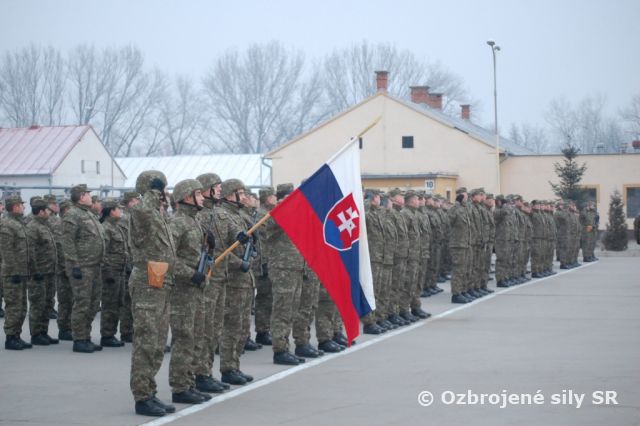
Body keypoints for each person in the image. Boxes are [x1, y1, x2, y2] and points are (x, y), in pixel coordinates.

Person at [128, 170, 177, 417]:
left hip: (160, 279)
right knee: (146, 342)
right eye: (161, 188)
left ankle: (150, 390)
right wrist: (153, 192)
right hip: (147, 281)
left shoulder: (159, 214)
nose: (165, 193)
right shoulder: (141, 212)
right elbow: (141, 211)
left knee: (157, 343)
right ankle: (142, 397)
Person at [168, 179, 212, 405]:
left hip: (196, 289)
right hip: (182, 289)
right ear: (187, 197)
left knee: (196, 336)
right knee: (184, 337)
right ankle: (180, 387)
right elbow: (167, 257)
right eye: (198, 194)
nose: (203, 197)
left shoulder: (194, 221)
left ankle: (189, 382)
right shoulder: (177, 223)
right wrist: (190, 274)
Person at [214, 179, 255, 385]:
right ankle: (228, 368)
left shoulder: (238, 215)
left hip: (244, 278)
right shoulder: (222, 215)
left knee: (241, 326)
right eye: (240, 192)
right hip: (233, 278)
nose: (244, 196)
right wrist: (239, 263)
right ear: (230, 195)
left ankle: (234, 365)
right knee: (231, 325)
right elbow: (218, 251)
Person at [264, 183, 307, 365]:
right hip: (282, 269)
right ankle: (280, 350)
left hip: (295, 267)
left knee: (291, 310)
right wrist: (282, 207)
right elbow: (267, 227)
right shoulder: (274, 214)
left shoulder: (293, 214)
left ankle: (286, 346)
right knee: (282, 309)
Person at [193, 173, 228, 394]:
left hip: (219, 275)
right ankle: (200, 373)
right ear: (207, 189)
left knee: (214, 328)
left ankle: (207, 372)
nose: (220, 190)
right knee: (204, 329)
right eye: (216, 186)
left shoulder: (217, 213)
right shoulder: (200, 216)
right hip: (206, 277)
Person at [62, 185, 106, 353]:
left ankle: (86, 336)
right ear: (81, 196)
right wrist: (74, 265)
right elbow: (68, 241)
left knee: (93, 303)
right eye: (88, 194)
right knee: (82, 303)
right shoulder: (72, 214)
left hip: (95, 266)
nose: (90, 197)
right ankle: (79, 339)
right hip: (82, 267)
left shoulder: (88, 214)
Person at [1, 195, 33, 350]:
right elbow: (6, 251)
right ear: (14, 207)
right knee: (13, 306)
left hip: (22, 272)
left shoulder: (20, 223)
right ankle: (10, 338)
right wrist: (13, 271)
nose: (24, 207)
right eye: (21, 205)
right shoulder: (7, 225)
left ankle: (17, 335)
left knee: (21, 306)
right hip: (12, 273)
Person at [26, 198, 59, 345]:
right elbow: (30, 251)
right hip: (39, 272)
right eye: (47, 210)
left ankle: (43, 332)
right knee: (38, 304)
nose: (49, 213)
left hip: (49, 271)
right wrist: (35, 270)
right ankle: (36, 334)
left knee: (47, 303)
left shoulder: (44, 225)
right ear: (40, 212)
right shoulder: (33, 227)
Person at [99, 199, 128, 348]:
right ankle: (107, 335)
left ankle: (111, 333)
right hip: (111, 272)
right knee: (110, 304)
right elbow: (102, 252)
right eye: (118, 209)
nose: (121, 211)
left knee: (118, 303)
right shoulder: (106, 228)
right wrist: (107, 271)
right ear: (111, 211)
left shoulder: (116, 227)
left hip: (119, 270)